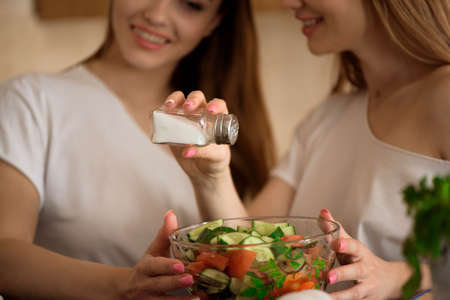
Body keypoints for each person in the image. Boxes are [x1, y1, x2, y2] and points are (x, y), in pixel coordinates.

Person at [169, 0, 450, 299]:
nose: (288, 3)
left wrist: (400, 276)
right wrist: (211, 176)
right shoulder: (327, 118)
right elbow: (250, 251)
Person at [0, 0, 275, 298]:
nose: (156, 15)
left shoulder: (212, 132)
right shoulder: (30, 102)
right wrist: (125, 286)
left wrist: (211, 180)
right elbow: (4, 255)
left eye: (191, 4)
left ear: (215, 21)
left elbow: (250, 277)